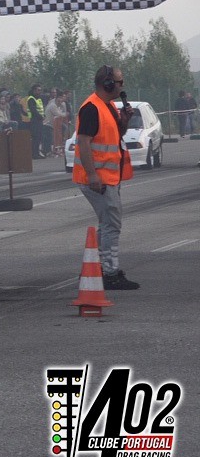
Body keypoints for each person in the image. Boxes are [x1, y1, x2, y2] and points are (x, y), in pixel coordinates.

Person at [73, 65, 138, 290]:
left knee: (108, 223)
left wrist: (124, 120)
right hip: (98, 179)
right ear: (108, 84)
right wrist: (92, 175)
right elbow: (83, 142)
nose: (122, 86)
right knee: (112, 223)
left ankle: (101, 268)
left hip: (108, 177)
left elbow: (115, 135)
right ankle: (110, 272)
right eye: (120, 82)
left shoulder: (107, 106)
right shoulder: (91, 108)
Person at [25, 84, 46, 158]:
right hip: (34, 120)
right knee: (35, 138)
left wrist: (43, 115)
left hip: (39, 120)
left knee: (39, 137)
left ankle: (37, 153)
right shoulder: (31, 99)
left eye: (40, 90)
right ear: (34, 91)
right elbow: (33, 110)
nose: (39, 92)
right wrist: (40, 116)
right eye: (38, 90)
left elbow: (41, 109)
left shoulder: (38, 99)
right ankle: (34, 154)